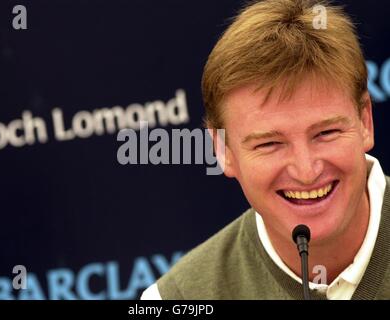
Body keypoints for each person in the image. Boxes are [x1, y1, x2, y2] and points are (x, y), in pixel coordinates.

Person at [141, 0, 390, 300]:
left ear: (365, 120)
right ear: (223, 150)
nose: (306, 171)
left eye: (326, 133)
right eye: (270, 144)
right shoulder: (176, 299)